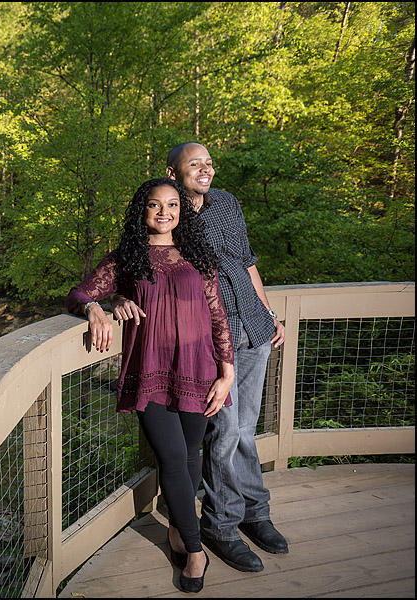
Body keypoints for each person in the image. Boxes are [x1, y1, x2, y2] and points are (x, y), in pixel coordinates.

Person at [66, 177, 235, 593]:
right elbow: (78, 292)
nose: (165, 213)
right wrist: (101, 306)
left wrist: (227, 371)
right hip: (151, 372)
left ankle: (178, 531)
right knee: (174, 458)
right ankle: (195, 551)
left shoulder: (198, 255)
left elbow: (216, 315)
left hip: (198, 370)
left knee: (191, 458)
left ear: (182, 210)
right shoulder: (128, 258)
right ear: (142, 210)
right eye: (155, 205)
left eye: (173, 205)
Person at [160, 141, 288, 573]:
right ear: (173, 172)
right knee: (225, 432)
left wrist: (269, 314)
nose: (206, 169)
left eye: (209, 163)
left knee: (245, 432)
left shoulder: (228, 204)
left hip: (254, 326)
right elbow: (140, 265)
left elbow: (247, 263)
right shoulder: (168, 214)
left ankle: (255, 513)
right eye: (195, 163)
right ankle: (221, 524)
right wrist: (105, 302)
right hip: (214, 338)